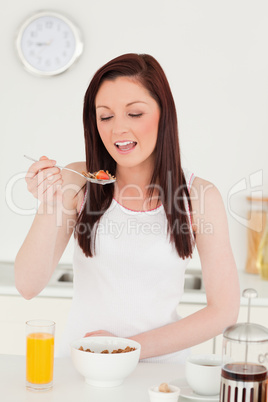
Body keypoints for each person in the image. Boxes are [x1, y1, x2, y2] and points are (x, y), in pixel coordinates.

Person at [15, 53, 240, 363]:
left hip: (159, 375)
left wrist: (124, 348)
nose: (118, 129)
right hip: (82, 367)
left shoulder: (199, 196)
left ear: (164, 114)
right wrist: (50, 201)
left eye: (134, 113)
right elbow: (27, 285)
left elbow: (224, 310)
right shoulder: (76, 181)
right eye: (105, 117)